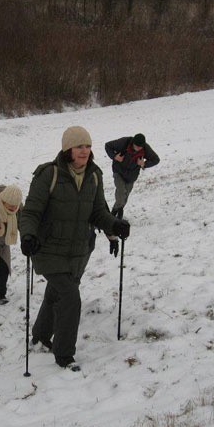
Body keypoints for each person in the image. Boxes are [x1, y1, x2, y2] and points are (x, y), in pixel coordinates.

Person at [19, 126, 130, 371]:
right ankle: (64, 354)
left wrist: (114, 225)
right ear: (68, 148)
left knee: (57, 293)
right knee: (70, 296)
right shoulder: (49, 175)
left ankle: (39, 335)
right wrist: (27, 235)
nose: (84, 151)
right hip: (48, 249)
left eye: (88, 146)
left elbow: (98, 211)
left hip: (79, 251)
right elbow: (31, 212)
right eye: (79, 146)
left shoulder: (94, 175)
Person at [104, 133, 160, 219]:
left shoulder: (145, 148)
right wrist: (115, 156)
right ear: (133, 142)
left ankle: (114, 214)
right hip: (118, 171)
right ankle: (117, 216)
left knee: (125, 197)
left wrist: (144, 164)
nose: (138, 148)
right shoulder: (124, 142)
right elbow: (108, 145)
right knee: (121, 192)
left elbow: (156, 159)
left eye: (140, 147)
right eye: (137, 146)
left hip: (131, 176)